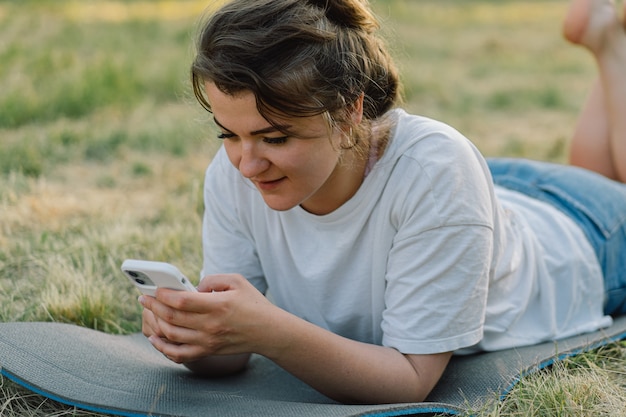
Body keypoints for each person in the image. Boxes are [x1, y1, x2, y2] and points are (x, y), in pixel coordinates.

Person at [138, 0, 626, 404]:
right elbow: (233, 353)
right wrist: (197, 336)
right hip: (479, 197)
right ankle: (607, 40)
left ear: (350, 110)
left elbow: (410, 378)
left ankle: (612, 49)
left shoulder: (436, 170)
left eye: (277, 138)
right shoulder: (235, 173)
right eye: (229, 134)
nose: (246, 165)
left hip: (586, 232)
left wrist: (270, 332)